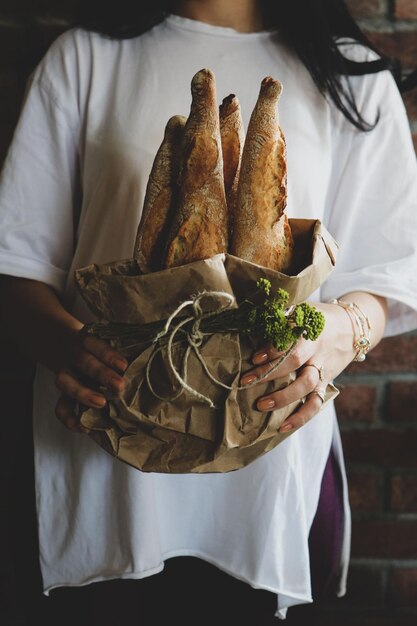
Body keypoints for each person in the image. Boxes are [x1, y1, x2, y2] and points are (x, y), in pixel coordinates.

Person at [0, 0, 416, 623]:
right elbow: (17, 265)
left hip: (270, 479)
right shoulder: (84, 57)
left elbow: (385, 279)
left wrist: (335, 332)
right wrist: (67, 346)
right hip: (101, 467)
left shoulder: (353, 78)